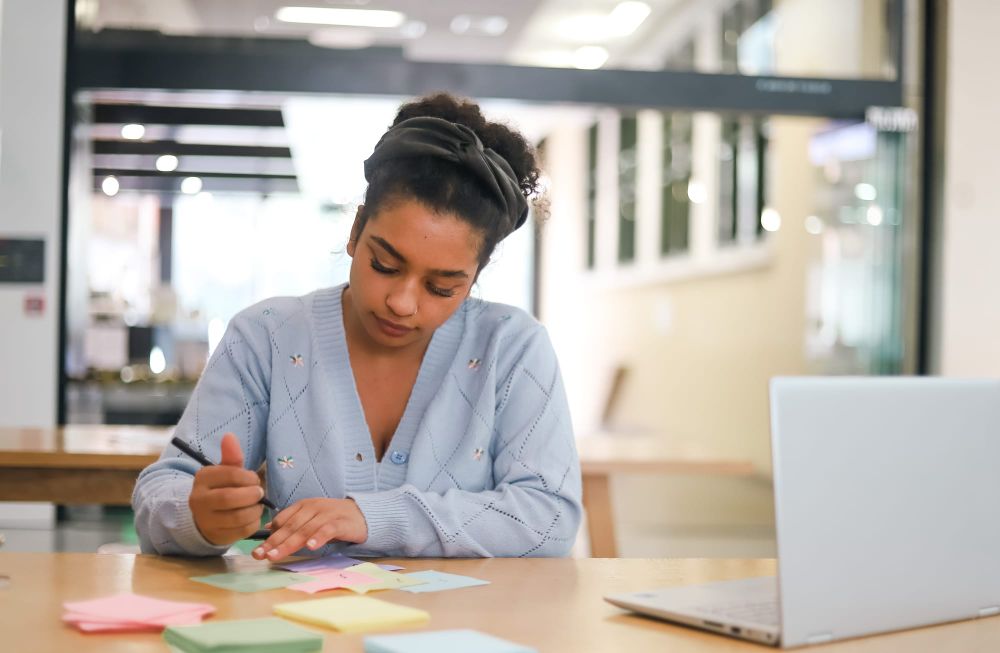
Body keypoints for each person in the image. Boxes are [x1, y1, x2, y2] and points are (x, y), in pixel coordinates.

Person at [133, 93, 583, 560]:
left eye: (442, 288)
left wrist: (372, 517)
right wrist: (198, 516)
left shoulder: (512, 347)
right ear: (354, 232)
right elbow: (161, 494)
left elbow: (549, 517)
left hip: (466, 628)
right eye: (385, 264)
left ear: (473, 279)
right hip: (300, 626)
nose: (402, 303)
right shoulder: (266, 336)